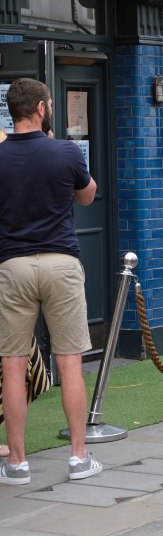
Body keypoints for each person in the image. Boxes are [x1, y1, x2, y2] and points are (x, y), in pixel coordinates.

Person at [0, 78, 100, 484]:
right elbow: (88, 195)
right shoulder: (66, 151)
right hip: (60, 262)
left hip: (13, 265)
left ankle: (18, 463)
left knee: (12, 365)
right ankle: (78, 458)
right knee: (69, 361)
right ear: (41, 109)